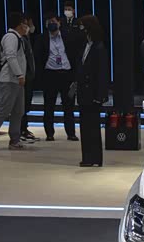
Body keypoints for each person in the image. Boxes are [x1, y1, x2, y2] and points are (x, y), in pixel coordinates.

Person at [0, 12, 29, 151]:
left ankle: (14, 140)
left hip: (17, 80)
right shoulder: (10, 37)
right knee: (5, 109)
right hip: (8, 79)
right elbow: (10, 56)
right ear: (20, 24)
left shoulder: (19, 38)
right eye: (25, 23)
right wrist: (20, 74)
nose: (27, 26)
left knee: (18, 111)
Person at [34, 12, 81, 141]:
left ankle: (71, 133)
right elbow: (38, 58)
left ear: (59, 23)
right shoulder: (41, 38)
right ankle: (49, 133)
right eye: (49, 22)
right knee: (49, 106)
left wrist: (75, 75)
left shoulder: (68, 36)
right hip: (50, 75)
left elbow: (74, 55)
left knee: (69, 106)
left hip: (66, 74)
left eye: (54, 21)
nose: (52, 24)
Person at [76, 15, 108, 167]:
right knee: (85, 126)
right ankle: (88, 157)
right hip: (84, 92)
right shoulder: (85, 45)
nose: (80, 29)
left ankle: (94, 157)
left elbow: (102, 73)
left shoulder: (98, 47)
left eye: (83, 26)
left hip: (92, 93)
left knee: (92, 127)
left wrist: (100, 95)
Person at [19, 15, 39, 143]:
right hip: (22, 77)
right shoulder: (18, 39)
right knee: (21, 106)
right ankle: (19, 130)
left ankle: (24, 129)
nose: (30, 27)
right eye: (27, 24)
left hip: (29, 77)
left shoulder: (28, 38)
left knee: (26, 105)